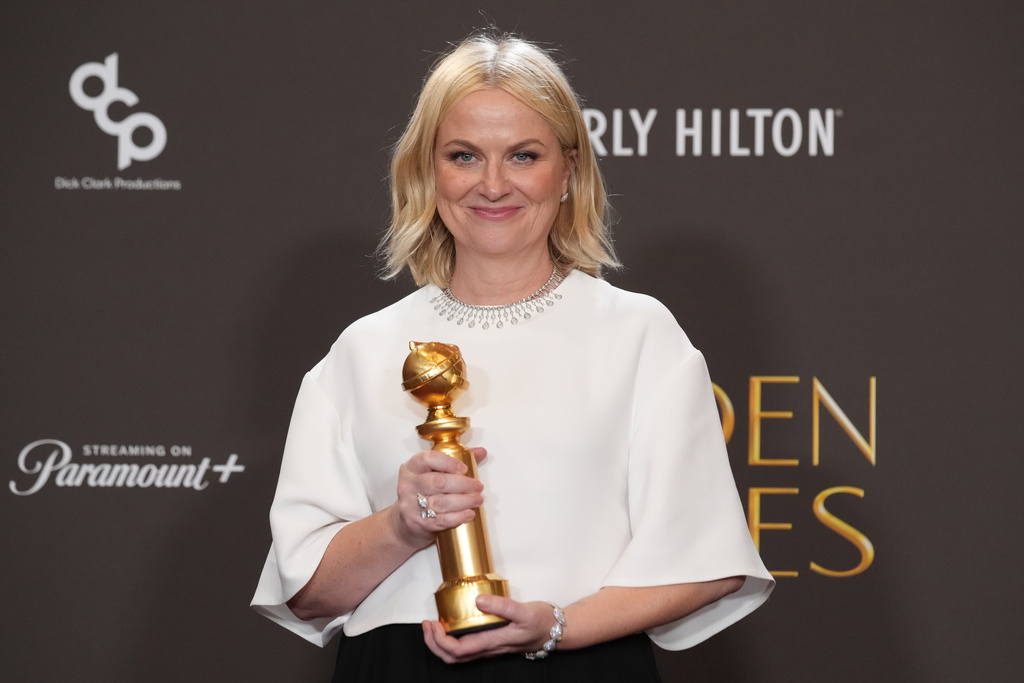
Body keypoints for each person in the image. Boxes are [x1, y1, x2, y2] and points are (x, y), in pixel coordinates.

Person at [252, 32, 774, 681]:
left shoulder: (637, 334)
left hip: (580, 664)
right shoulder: (360, 352)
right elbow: (307, 592)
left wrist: (557, 625)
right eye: (464, 155)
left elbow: (708, 560)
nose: (492, 184)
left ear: (569, 172)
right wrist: (405, 522)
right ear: (426, 171)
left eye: (523, 155)